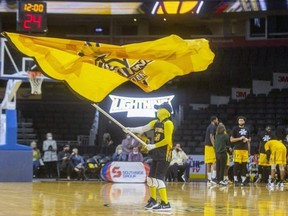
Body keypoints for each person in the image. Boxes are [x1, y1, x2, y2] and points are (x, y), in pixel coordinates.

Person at [126, 102, 173, 211]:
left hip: (165, 153)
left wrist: (153, 145)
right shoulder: (155, 122)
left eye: (159, 109)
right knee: (151, 179)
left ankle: (165, 203)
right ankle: (153, 200)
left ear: (165, 111)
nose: (157, 111)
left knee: (159, 179)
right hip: (156, 152)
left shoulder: (168, 123)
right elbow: (142, 128)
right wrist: (130, 129)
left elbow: (167, 140)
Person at [230, 116, 251, 186]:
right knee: (236, 165)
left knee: (244, 166)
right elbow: (231, 139)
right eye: (240, 120)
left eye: (242, 120)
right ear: (238, 121)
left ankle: (243, 180)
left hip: (245, 150)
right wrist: (240, 138)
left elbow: (249, 140)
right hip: (237, 149)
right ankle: (235, 180)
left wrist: (247, 140)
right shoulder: (235, 129)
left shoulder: (247, 129)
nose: (241, 121)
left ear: (244, 121)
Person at [204, 116, 218, 185]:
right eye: (217, 119)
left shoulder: (209, 126)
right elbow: (211, 136)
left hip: (207, 146)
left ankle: (209, 179)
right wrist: (214, 146)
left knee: (209, 164)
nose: (217, 121)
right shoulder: (212, 127)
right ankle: (213, 178)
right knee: (214, 162)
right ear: (214, 120)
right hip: (211, 146)